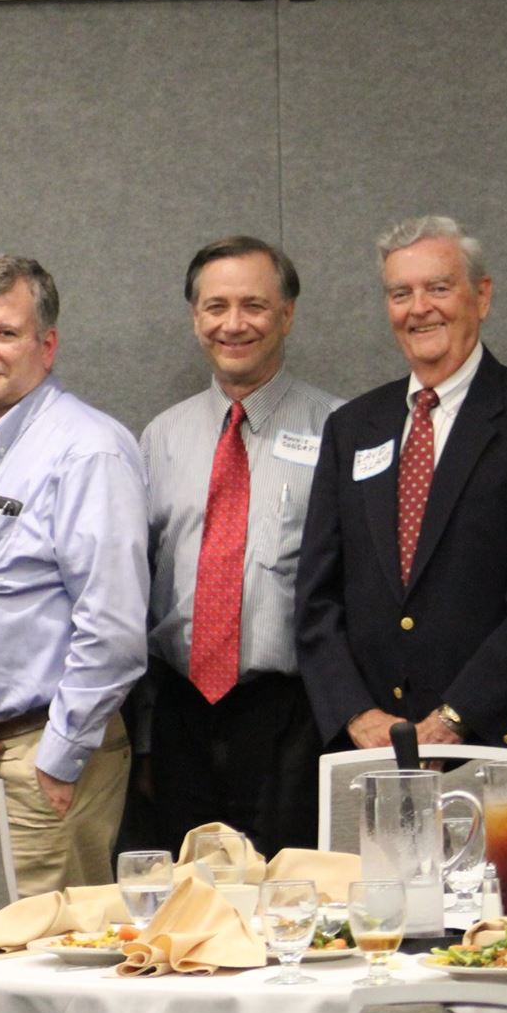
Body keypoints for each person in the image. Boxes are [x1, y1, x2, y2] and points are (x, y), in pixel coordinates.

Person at [299, 215, 507, 772]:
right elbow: (317, 598)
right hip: (377, 759)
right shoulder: (353, 428)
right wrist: (357, 715)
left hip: (506, 752)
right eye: (400, 293)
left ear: (481, 296)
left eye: (439, 287)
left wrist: (454, 720)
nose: (419, 308)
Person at [0, 254, 148, 895]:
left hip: (41, 753)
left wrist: (60, 756)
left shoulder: (88, 450)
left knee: (49, 964)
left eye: (4, 332)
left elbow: (113, 625)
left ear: (46, 345)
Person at [140, 237, 343, 852]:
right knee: (188, 909)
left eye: (253, 305)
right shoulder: (159, 437)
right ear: (195, 317)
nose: (233, 324)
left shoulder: (341, 429)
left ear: (287, 314)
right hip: (181, 713)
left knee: (293, 900)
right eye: (215, 306)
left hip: (294, 716)